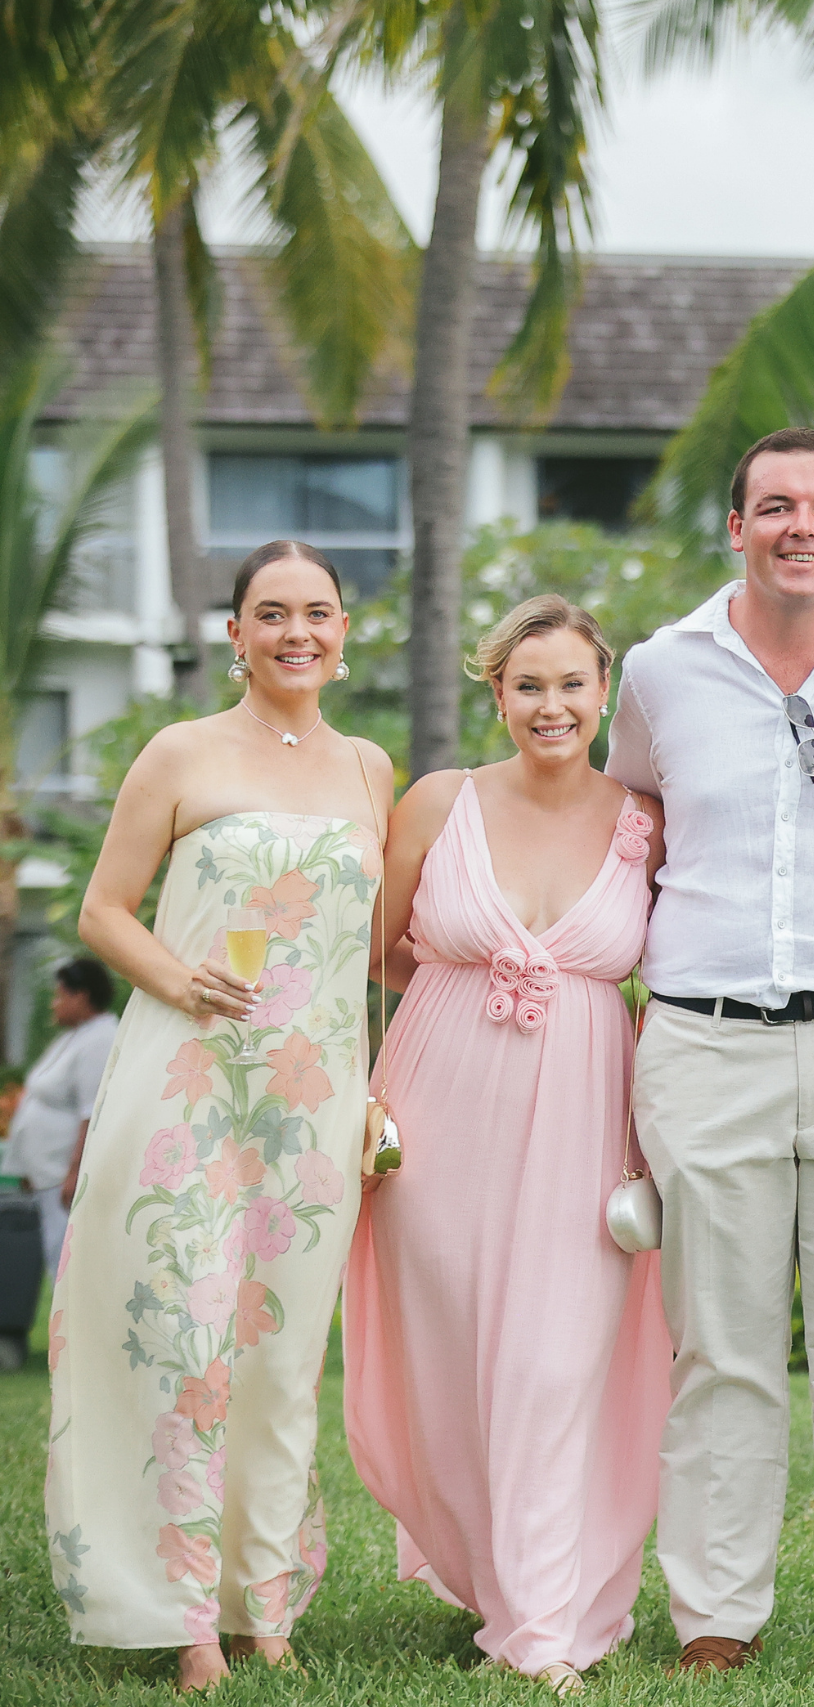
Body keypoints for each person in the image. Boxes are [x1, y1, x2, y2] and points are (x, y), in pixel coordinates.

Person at [605, 430, 814, 1678]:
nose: (799, 525)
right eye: (773, 506)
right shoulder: (658, 669)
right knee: (722, 1344)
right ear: (737, 525)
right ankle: (715, 1614)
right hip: (703, 1040)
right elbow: (629, 816)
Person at [45, 541, 393, 1692]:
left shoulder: (370, 770)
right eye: (270, 613)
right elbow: (102, 909)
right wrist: (178, 977)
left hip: (312, 1106)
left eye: (319, 612)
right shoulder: (180, 752)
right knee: (187, 1341)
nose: (298, 630)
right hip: (187, 1083)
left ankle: (267, 1606)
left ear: (345, 634)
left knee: (284, 1358)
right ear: (235, 633)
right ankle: (186, 1617)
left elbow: (364, 960)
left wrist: (373, 1088)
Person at [341, 596, 671, 1695]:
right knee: (455, 1359)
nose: (552, 705)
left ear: (603, 691)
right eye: (529, 685)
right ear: (496, 692)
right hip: (439, 1106)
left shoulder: (644, 816)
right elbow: (376, 953)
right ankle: (496, 1576)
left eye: (572, 684)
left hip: (587, 1104)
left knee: (552, 1355)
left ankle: (539, 1626)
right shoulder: (440, 802)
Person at [7, 957, 119, 1275]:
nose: (54, 1005)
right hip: (47, 1171)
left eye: (60, 996)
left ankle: (68, 1323)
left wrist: (74, 1172)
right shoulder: (77, 1035)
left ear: (81, 996)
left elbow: (91, 1111)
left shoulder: (100, 1039)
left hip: (62, 1173)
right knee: (54, 1250)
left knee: (65, 1256)